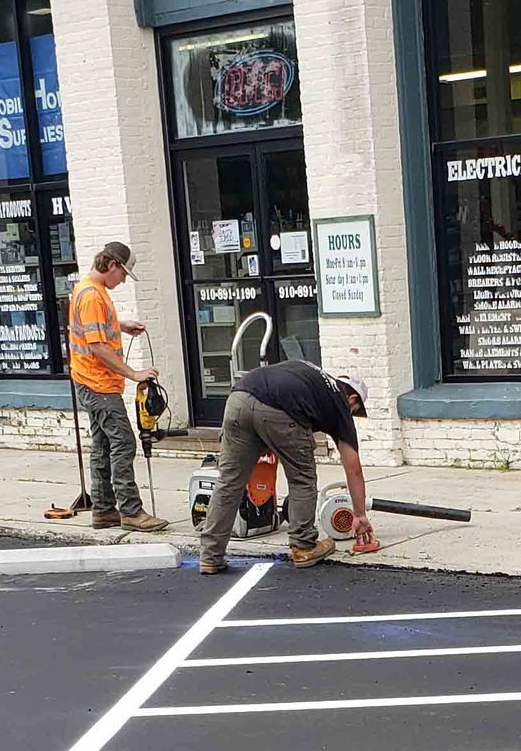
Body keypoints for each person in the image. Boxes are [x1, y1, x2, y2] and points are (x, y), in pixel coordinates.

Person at [197, 357, 376, 575]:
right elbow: (353, 468)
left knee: (229, 481)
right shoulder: (339, 403)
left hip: (239, 398)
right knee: (302, 478)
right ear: (353, 398)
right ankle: (304, 546)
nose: (351, 416)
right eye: (355, 411)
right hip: (278, 409)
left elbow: (276, 389)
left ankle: (210, 556)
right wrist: (359, 515)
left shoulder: (312, 375)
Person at [67, 241, 168, 533]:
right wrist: (134, 373)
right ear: (111, 265)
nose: (123, 279)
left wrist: (121, 325)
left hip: (90, 380)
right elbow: (97, 346)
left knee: (102, 446)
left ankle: (104, 511)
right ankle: (131, 512)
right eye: (123, 273)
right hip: (98, 384)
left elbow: (93, 329)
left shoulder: (89, 290)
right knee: (124, 442)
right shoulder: (91, 296)